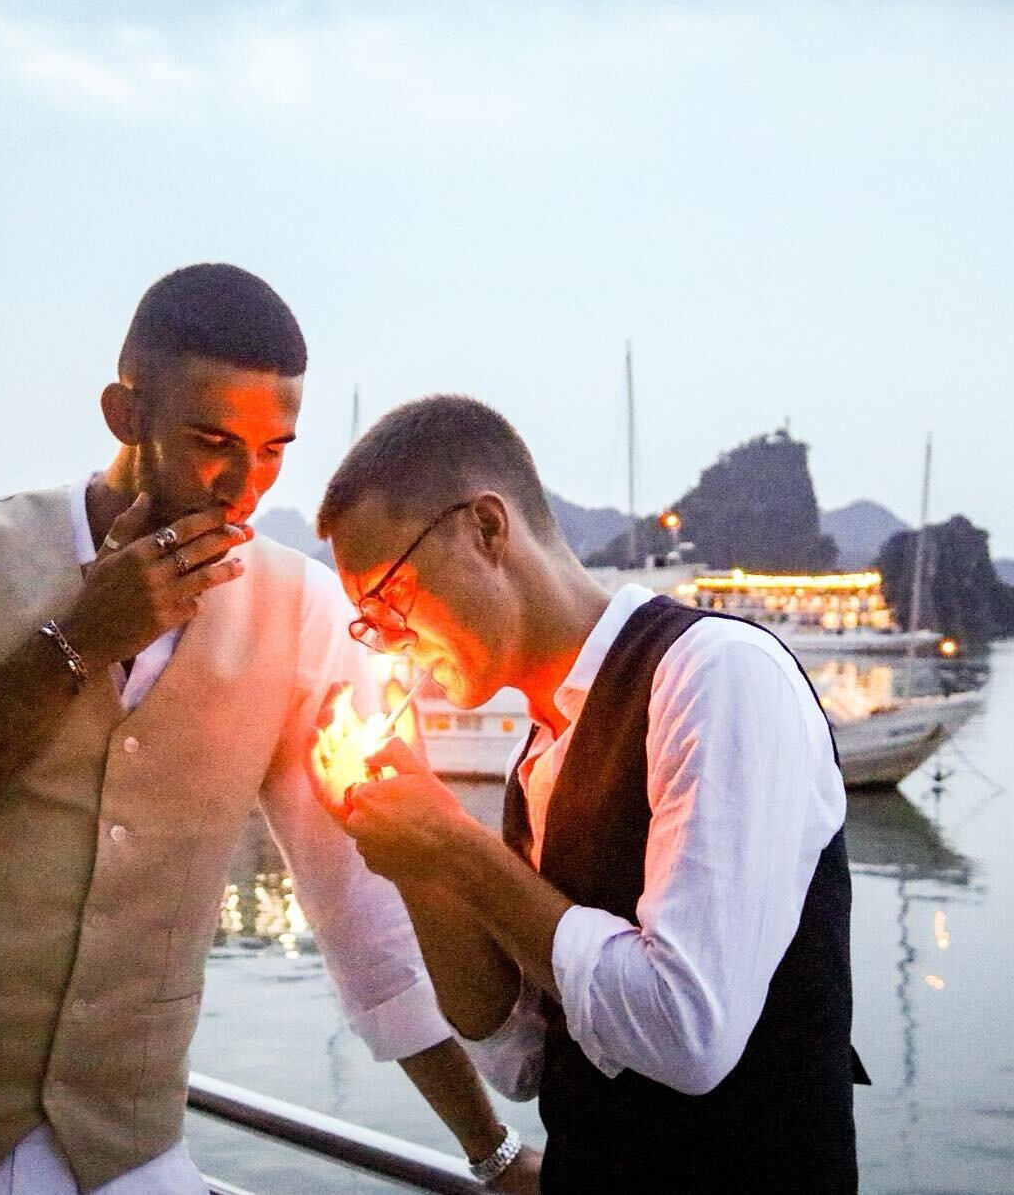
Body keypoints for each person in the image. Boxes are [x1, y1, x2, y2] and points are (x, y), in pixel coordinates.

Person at [0, 269, 539, 1194]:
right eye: (211, 441)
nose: (243, 486)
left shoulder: (300, 612)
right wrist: (72, 646)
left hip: (125, 1154)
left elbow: (359, 914)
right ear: (124, 411)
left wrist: (491, 1152)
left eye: (273, 450)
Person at [312, 394, 868, 1193]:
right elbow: (521, 1058)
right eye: (368, 622)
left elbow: (686, 1033)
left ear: (486, 529)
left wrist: (457, 846)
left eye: (390, 597)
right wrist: (413, 863)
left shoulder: (715, 675)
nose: (390, 638)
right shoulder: (536, 759)